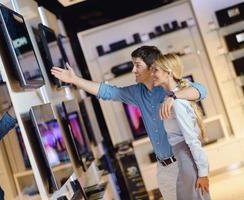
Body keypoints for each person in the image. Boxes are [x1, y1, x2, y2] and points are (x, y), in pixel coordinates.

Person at [51, 45, 207, 200]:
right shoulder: (137, 92)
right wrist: (74, 80)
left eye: (137, 65)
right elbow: (108, 92)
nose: (133, 70)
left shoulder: (168, 87)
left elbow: (201, 90)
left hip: (182, 163)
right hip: (163, 168)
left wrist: (174, 96)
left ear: (152, 67)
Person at [151, 53, 211, 200]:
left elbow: (192, 140)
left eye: (155, 70)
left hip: (186, 162)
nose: (152, 74)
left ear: (168, 72)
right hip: (183, 161)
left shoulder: (176, 102)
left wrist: (203, 173)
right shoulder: (171, 98)